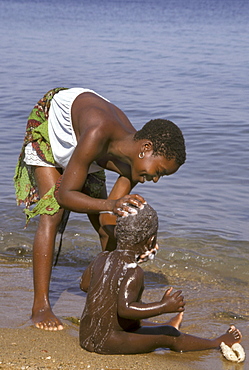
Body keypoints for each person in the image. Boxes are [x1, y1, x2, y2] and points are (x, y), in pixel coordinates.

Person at [14, 87, 186, 331]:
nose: (156, 180)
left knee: (107, 230)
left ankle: (105, 295)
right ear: (146, 148)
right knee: (52, 215)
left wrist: (140, 242)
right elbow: (65, 196)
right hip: (54, 127)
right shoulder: (98, 132)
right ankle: (40, 307)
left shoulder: (134, 164)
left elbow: (108, 217)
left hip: (87, 149)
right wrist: (111, 204)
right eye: (159, 171)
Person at [79, 203, 242, 355]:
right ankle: (216, 342)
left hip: (86, 336)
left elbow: (85, 285)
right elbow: (125, 310)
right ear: (151, 241)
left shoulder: (102, 257)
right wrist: (163, 306)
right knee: (168, 336)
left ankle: (167, 325)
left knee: (136, 321)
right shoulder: (134, 271)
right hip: (108, 343)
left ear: (117, 233)